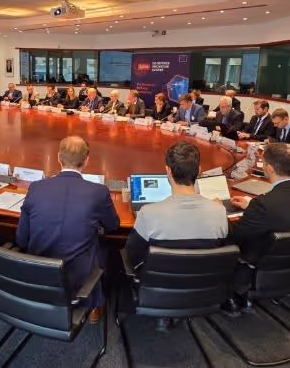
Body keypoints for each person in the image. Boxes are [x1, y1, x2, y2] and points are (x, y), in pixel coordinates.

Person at [125, 141, 229, 330]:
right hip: (202, 288)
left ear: (168, 171)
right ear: (199, 170)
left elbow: (133, 255)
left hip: (157, 287)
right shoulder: (219, 212)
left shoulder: (148, 213)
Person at [17, 136, 119, 324]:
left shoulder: (36, 187)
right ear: (86, 161)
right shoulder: (98, 191)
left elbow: (22, 240)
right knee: (104, 247)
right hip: (77, 279)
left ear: (58, 157)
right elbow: (113, 226)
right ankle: (94, 304)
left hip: (40, 273)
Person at [226, 143, 290, 313]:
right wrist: (251, 207)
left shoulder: (264, 203)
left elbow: (235, 238)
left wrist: (218, 213)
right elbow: (284, 214)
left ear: (269, 168)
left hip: (261, 268)